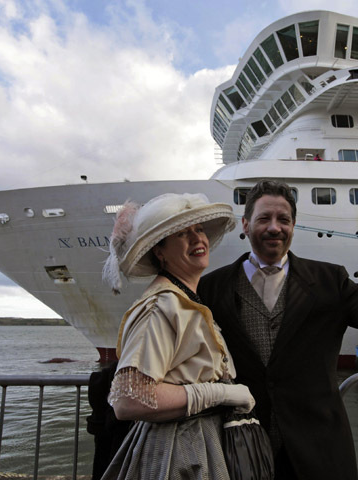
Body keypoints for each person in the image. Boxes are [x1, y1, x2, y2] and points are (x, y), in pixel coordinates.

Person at [198, 180, 358, 480]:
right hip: (239, 452)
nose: (275, 227)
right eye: (264, 218)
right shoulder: (211, 289)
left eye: (284, 219)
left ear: (293, 225)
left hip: (319, 450)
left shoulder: (331, 281)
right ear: (246, 225)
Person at [100, 193, 257, 480]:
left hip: (198, 447)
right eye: (182, 234)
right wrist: (219, 393)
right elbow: (127, 401)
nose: (197, 239)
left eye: (198, 229)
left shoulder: (183, 298)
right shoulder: (162, 306)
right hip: (178, 456)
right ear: (160, 252)